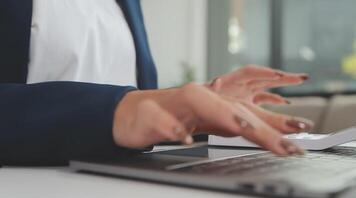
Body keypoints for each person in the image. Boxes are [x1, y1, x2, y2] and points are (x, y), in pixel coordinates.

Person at [0, 0, 313, 166]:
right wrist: (119, 112)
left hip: (123, 180)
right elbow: (120, 109)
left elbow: (134, 97)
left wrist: (193, 107)